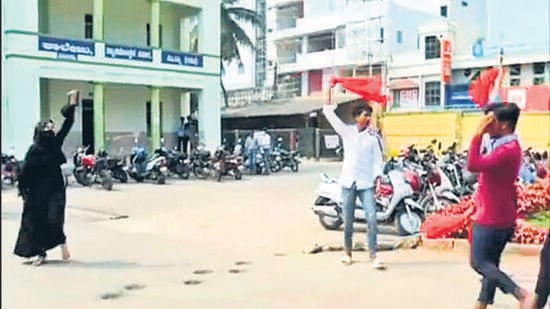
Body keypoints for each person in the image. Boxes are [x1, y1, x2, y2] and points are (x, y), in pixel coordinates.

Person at [466, 102, 534, 309]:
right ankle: (482, 303)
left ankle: (520, 294)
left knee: (479, 263)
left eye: (491, 121)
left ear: (504, 125)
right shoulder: (503, 144)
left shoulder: (507, 150)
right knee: (491, 264)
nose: (487, 125)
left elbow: (473, 165)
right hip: (499, 212)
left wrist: (477, 134)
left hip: (492, 216)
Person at [14, 89, 79, 266]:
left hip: (55, 189)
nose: (51, 132)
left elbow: (68, 124)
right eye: (47, 129)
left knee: (54, 218)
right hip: (36, 192)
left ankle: (61, 241)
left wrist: (72, 103)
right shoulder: (34, 151)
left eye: (52, 129)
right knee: (33, 222)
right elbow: (25, 173)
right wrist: (24, 191)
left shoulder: (55, 143)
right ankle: (39, 253)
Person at [322, 101, 384, 268]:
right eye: (365, 115)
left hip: (366, 183)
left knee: (371, 218)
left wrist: (378, 179)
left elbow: (377, 161)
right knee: (348, 219)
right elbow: (330, 117)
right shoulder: (347, 132)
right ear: (357, 117)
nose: (369, 118)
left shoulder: (373, 137)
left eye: (370, 115)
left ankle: (374, 255)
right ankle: (347, 253)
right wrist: (330, 105)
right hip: (348, 181)